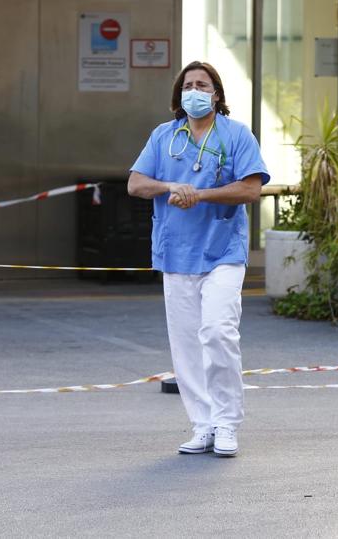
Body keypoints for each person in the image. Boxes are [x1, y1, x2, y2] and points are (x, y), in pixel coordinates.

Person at [127, 61, 269, 458]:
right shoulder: (164, 136)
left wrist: (201, 195)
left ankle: (227, 423)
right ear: (179, 95)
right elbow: (136, 183)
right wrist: (172, 185)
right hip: (176, 252)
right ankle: (202, 424)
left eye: (202, 84)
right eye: (188, 85)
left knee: (218, 332)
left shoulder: (237, 135)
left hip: (223, 250)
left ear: (216, 94)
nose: (194, 90)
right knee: (187, 345)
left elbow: (251, 189)